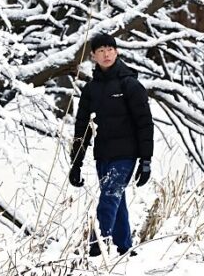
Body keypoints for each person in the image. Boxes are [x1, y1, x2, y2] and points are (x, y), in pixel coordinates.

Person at [68, 32, 154, 257]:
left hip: (126, 155)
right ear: (93, 56)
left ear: (116, 52)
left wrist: (146, 160)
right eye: (101, 51)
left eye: (110, 49)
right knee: (117, 199)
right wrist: (75, 164)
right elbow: (82, 129)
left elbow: (145, 124)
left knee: (109, 197)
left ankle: (94, 248)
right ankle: (125, 248)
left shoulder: (130, 85)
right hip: (103, 155)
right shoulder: (90, 90)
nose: (106, 54)